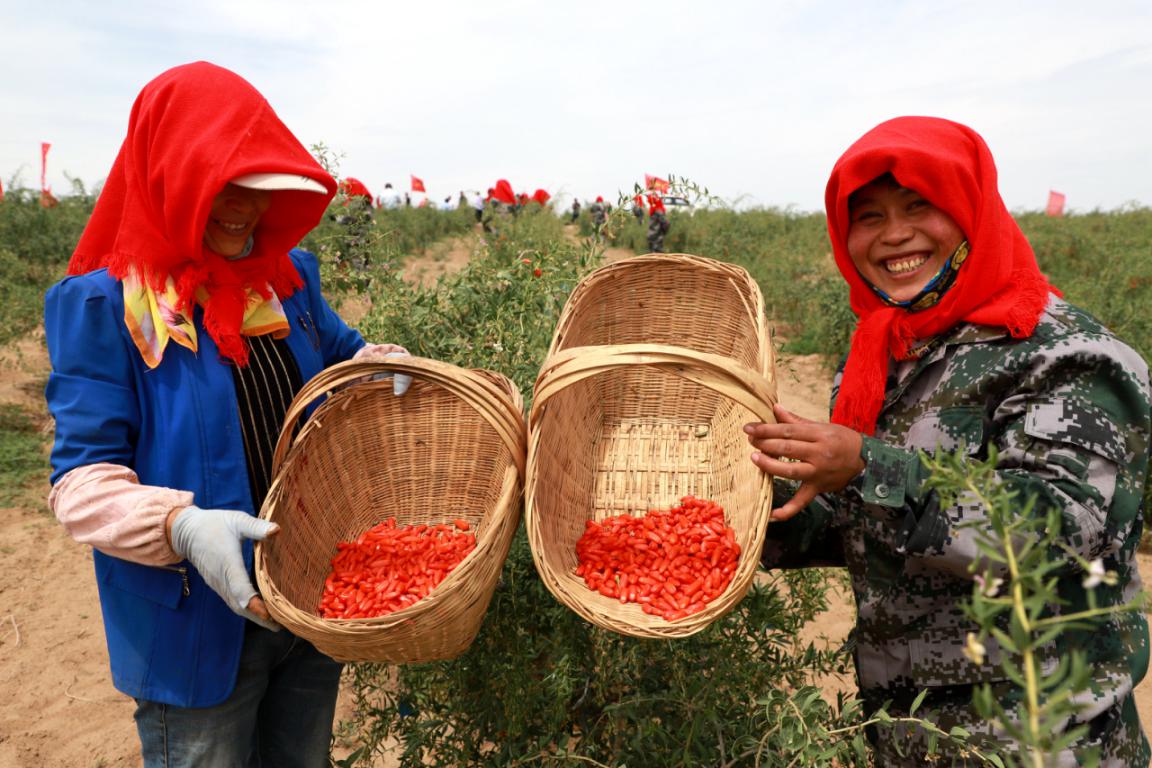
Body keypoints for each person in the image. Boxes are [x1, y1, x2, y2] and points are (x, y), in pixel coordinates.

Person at [745, 116, 1149, 765]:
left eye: (918, 206)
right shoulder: (890, 351)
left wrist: (862, 466)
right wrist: (756, 515)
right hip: (913, 732)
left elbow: (1046, 537)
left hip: (1041, 739)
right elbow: (876, 523)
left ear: (968, 212)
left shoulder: (1070, 356)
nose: (894, 234)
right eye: (869, 216)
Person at [44, 61, 410, 768]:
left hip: (307, 599)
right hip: (194, 630)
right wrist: (183, 527)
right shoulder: (108, 309)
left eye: (256, 185)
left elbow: (344, 359)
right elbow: (79, 489)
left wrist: (385, 367)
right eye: (221, 186)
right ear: (169, 178)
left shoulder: (285, 282)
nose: (244, 207)